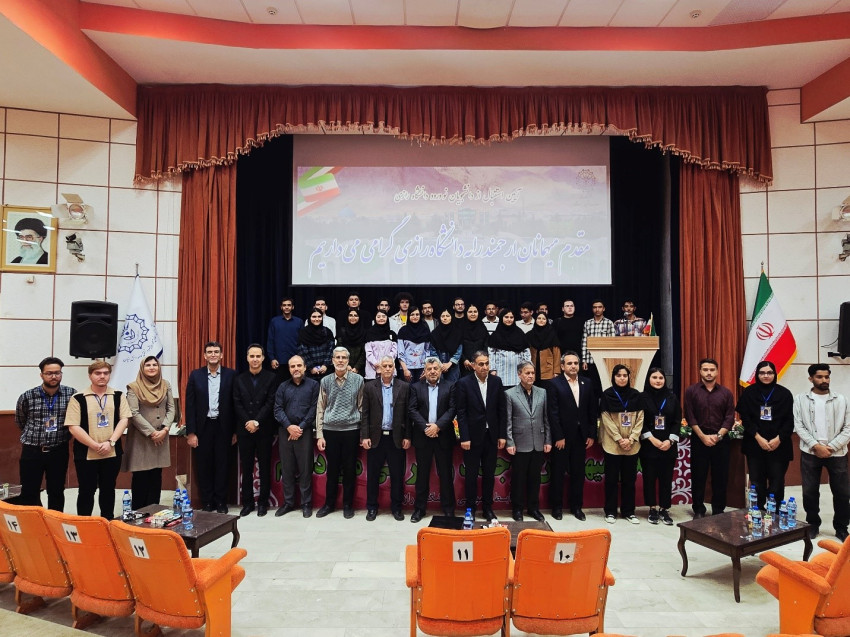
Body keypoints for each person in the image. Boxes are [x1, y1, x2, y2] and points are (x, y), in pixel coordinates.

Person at [65, 361, 131, 519]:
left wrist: (110, 442)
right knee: (86, 491)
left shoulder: (118, 396)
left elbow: (124, 420)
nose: (102, 376)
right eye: (97, 373)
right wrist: (94, 445)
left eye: (105, 373)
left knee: (108, 489)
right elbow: (73, 426)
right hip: (86, 454)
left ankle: (107, 522)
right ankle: (84, 524)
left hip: (112, 452)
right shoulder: (78, 398)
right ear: (90, 376)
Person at [793, 363, 850, 541]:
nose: (824, 380)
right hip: (811, 452)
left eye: (827, 376)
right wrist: (816, 446)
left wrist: (831, 447)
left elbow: (848, 427)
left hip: (837, 453)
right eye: (819, 377)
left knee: (842, 493)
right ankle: (813, 525)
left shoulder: (841, 399)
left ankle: (841, 528)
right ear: (810, 378)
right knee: (809, 491)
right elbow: (798, 425)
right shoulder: (800, 399)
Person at [15, 357, 76, 510]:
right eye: (49, 373)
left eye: (57, 373)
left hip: (58, 450)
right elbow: (20, 420)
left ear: (61, 374)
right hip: (32, 450)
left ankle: (55, 522)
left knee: (56, 491)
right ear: (41, 374)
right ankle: (31, 523)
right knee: (29, 491)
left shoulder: (71, 395)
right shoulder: (28, 396)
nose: (53, 376)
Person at [185, 341, 236, 513]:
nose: (213, 354)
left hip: (223, 427)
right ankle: (207, 502)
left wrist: (235, 431)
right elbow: (190, 405)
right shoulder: (195, 375)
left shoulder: (231, 375)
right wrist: (191, 432)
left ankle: (221, 502)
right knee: (204, 465)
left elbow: (235, 404)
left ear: (221, 355)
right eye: (209, 352)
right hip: (203, 427)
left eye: (216, 351)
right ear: (205, 356)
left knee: (222, 465)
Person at [737, 360, 794, 509]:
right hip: (755, 444)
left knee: (777, 481)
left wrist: (779, 439)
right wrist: (758, 438)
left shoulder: (785, 394)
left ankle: (775, 511)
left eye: (769, 373)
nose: (766, 376)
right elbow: (746, 419)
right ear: (757, 375)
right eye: (762, 373)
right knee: (756, 481)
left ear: (775, 374)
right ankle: (758, 510)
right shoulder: (749, 393)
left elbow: (789, 420)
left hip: (779, 445)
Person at [455, 351, 506, 520]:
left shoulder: (496, 382)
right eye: (481, 364)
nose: (484, 367)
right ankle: (470, 508)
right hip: (472, 437)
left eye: (487, 363)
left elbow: (502, 410)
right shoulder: (464, 383)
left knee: (489, 475)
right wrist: (464, 437)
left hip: (491, 436)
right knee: (471, 475)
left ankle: (487, 508)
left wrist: (502, 435)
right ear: (473, 365)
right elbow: (461, 412)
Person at [547, 351, 597, 521]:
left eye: (576, 363)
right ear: (562, 366)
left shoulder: (587, 383)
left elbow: (592, 410)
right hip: (562, 438)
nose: (573, 366)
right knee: (558, 473)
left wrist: (591, 434)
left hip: (581, 437)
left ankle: (577, 507)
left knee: (578, 473)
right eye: (569, 363)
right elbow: (553, 413)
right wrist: (558, 436)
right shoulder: (554, 384)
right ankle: (557, 507)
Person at [316, 347, 365, 519]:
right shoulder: (325, 381)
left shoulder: (358, 380)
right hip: (331, 431)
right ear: (332, 360)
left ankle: (347, 505)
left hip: (351, 430)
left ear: (348, 360)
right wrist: (320, 434)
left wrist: (362, 433)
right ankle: (329, 504)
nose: (340, 360)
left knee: (350, 469)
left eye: (344, 357)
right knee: (332, 470)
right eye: (337, 357)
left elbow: (362, 407)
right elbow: (320, 408)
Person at [683, 357, 735, 518]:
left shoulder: (726, 393)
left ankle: (718, 509)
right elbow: (690, 416)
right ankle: (698, 509)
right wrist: (703, 436)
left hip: (721, 440)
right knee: (698, 476)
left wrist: (718, 436)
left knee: (720, 477)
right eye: (705, 370)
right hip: (699, 439)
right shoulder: (691, 391)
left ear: (717, 372)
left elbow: (729, 417)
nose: (709, 373)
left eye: (712, 370)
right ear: (700, 371)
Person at [361, 356, 411, 521]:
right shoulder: (369, 387)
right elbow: (365, 414)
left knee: (397, 475)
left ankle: (397, 508)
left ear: (394, 368)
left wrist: (407, 436)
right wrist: (365, 436)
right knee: (373, 475)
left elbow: (408, 415)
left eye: (390, 366)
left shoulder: (404, 387)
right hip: (376, 438)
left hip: (396, 438)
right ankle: (372, 507)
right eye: (385, 366)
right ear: (379, 369)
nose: (388, 368)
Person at [122, 356, 175, 510]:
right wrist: (152, 433)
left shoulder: (165, 385)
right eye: (148, 365)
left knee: (156, 475)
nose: (152, 367)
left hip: (162, 436)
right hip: (141, 438)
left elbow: (171, 408)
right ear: (142, 368)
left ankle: (154, 510)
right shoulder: (133, 387)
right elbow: (134, 413)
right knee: (141, 476)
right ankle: (138, 511)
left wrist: (165, 429)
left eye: (154, 365)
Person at [408, 356, 457, 521]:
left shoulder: (450, 386)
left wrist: (438, 426)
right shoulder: (416, 387)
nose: (433, 371)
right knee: (422, 475)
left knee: (446, 475)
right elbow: (412, 409)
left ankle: (448, 509)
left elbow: (452, 409)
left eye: (435, 368)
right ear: (425, 371)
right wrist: (427, 428)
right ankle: (419, 509)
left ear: (441, 370)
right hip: (423, 437)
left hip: (443, 436)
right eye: (429, 369)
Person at [233, 344, 278, 517]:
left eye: (258, 356)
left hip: (264, 429)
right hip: (245, 430)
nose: (255, 359)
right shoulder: (239, 379)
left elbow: (270, 402)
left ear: (263, 358)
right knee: (247, 467)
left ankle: (263, 503)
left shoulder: (271, 378)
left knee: (265, 467)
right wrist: (248, 422)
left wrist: (257, 421)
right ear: (247, 358)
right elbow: (237, 403)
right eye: (252, 356)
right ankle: (248, 503)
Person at [274, 355, 319, 518]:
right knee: (287, 468)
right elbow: (278, 409)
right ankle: (288, 502)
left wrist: (300, 428)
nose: (296, 369)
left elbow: (314, 409)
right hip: (285, 431)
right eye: (293, 366)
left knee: (305, 469)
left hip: (304, 432)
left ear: (305, 367)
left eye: (299, 365)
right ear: (289, 369)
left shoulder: (314, 385)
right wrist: (289, 427)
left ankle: (306, 503)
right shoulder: (282, 386)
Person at [505, 362, 550, 522]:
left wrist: (548, 440)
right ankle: (517, 509)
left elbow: (546, 418)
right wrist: (510, 442)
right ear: (519, 374)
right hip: (519, 443)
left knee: (535, 478)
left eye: (532, 373)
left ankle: (533, 508)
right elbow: (508, 420)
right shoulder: (510, 394)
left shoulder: (542, 392)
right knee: (518, 478)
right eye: (527, 373)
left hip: (538, 441)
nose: (530, 376)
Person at [598, 364, 643, 524]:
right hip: (612, 444)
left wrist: (631, 439)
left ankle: (628, 511)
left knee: (629, 480)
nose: (622, 378)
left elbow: (640, 418)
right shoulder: (607, 395)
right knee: (611, 480)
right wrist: (619, 439)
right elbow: (606, 419)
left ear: (629, 377)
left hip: (632, 445)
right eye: (619, 375)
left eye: (625, 375)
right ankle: (610, 511)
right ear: (613, 377)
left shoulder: (636, 395)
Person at [640, 367, 680, 525]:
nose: (658, 380)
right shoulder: (642, 397)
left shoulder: (672, 397)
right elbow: (639, 421)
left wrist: (670, 441)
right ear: (648, 379)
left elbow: (677, 421)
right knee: (649, 478)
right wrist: (651, 438)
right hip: (649, 445)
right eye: (654, 377)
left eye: (661, 378)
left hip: (668, 446)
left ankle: (664, 508)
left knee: (666, 479)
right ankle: (652, 508)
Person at [487, 308, 531, 388]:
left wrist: (527, 367)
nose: (509, 319)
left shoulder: (520, 334)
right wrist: (492, 369)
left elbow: (526, 352)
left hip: (517, 373)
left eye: (511, 317)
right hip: (501, 372)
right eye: (506, 317)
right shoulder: (496, 335)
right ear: (501, 318)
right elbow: (491, 353)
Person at [581, 299, 614, 401]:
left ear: (603, 309)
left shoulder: (609, 323)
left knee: (604, 386)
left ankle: (603, 408)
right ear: (592, 309)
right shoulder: (588, 323)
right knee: (592, 387)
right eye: (595, 307)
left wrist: (610, 360)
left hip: (604, 361)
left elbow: (612, 343)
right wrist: (584, 360)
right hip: (591, 361)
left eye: (599, 307)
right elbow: (584, 342)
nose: (597, 309)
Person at [267, 297, 301, 384]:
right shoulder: (274, 321)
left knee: (295, 385)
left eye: (289, 305)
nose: (286, 307)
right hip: (279, 361)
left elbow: (302, 342)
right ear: (281, 307)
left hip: (295, 361)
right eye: (284, 305)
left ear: (292, 307)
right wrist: (272, 358)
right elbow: (270, 341)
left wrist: (300, 358)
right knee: (279, 386)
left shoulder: (299, 322)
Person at [297, 308, 335, 380]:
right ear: (309, 318)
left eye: (319, 316)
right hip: (310, 371)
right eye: (314, 317)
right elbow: (302, 351)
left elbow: (331, 349)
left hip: (326, 369)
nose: (317, 319)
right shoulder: (303, 333)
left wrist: (325, 365)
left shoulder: (327, 331)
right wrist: (311, 367)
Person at [397, 306, 431, 383]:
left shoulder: (425, 331)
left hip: (422, 368)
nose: (415, 317)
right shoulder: (403, 331)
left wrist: (426, 368)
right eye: (412, 314)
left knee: (421, 389)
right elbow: (400, 352)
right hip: (407, 368)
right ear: (408, 316)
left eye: (417, 314)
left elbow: (428, 351)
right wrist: (405, 369)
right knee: (408, 390)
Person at [526, 311, 561, 384]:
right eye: (539, 318)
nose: (541, 320)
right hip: (533, 368)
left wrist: (556, 371)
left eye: (544, 319)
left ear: (547, 321)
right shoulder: (529, 335)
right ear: (535, 320)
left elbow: (557, 354)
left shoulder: (552, 334)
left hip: (548, 369)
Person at [429, 309, 463, 383]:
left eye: (447, 316)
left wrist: (449, 363)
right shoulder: (434, 333)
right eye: (443, 316)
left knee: (453, 386)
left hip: (453, 365)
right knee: (440, 386)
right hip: (438, 364)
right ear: (440, 318)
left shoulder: (457, 333)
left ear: (451, 317)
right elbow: (432, 350)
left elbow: (459, 350)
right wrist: (440, 364)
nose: (445, 318)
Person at [364, 310, 398, 379]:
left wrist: (385, 364)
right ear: (375, 318)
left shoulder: (392, 334)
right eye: (378, 317)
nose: (381, 318)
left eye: (383, 316)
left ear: (387, 318)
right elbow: (368, 353)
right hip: (373, 369)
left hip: (388, 368)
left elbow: (394, 351)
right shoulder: (369, 333)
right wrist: (377, 365)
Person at [460, 304, 489, 377]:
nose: (473, 314)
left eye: (475, 312)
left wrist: (480, 359)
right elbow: (458, 346)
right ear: (466, 313)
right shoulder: (461, 328)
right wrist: (464, 360)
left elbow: (486, 346)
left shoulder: (482, 328)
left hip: (481, 365)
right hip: (466, 366)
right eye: (470, 312)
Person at [337, 308, 367, 375]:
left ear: (359, 318)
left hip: (360, 369)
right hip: (343, 366)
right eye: (350, 315)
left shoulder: (364, 332)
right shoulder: (342, 331)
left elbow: (364, 352)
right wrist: (347, 365)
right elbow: (339, 350)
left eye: (355, 315)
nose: (353, 317)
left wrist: (356, 367)